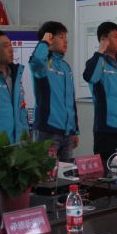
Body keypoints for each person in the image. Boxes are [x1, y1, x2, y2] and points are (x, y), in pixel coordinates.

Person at [83, 21, 117, 165]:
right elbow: (90, 77)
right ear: (104, 39)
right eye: (115, 36)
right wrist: (100, 52)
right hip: (107, 129)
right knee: (106, 171)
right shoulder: (96, 63)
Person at [29, 21, 79, 162]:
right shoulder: (43, 63)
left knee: (66, 172)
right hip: (47, 131)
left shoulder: (65, 67)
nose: (66, 41)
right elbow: (36, 61)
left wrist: (74, 130)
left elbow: (70, 101)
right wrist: (44, 43)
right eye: (61, 37)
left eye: (65, 37)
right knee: (45, 173)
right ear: (50, 38)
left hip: (67, 134)